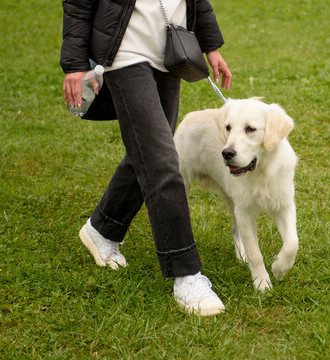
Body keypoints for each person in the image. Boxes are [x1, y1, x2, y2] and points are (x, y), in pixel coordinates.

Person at [61, 0, 232, 316]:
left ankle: (102, 228)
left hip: (169, 49)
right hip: (124, 54)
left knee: (151, 150)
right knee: (162, 162)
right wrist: (74, 64)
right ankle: (186, 274)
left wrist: (210, 45)